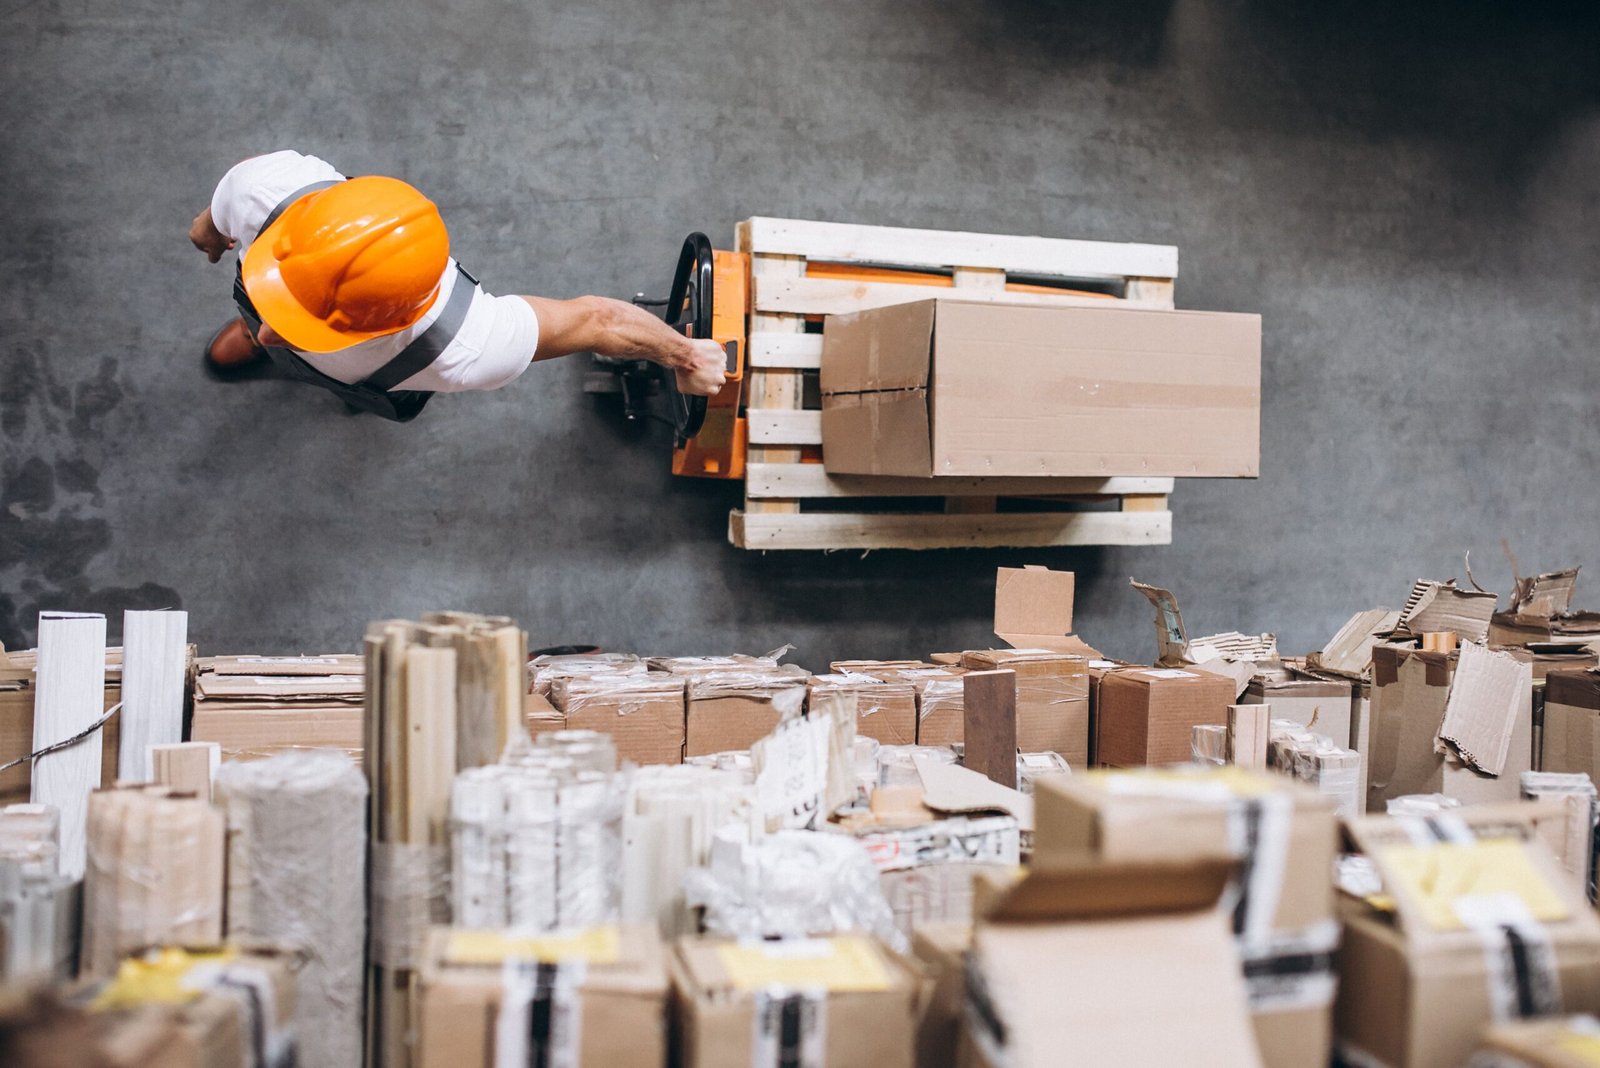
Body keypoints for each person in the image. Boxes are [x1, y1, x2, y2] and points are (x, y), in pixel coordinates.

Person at [190, 150, 726, 421]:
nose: (270, 335)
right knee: (266, 333)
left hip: (389, 368)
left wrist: (684, 354)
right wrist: (215, 237)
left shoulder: (466, 346)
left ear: (393, 324)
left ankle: (345, 389)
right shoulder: (267, 188)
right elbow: (205, 229)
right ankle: (310, 352)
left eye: (305, 326)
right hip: (374, 361)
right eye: (281, 298)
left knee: (354, 389)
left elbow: (597, 321)